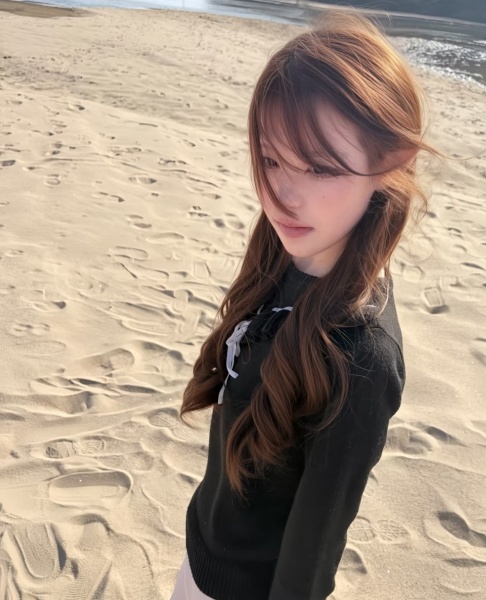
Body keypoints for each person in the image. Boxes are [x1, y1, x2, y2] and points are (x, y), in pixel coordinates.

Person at [171, 7, 442, 600]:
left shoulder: (360, 354)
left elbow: (313, 555)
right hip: (202, 555)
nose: (282, 194)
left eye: (320, 167)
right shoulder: (283, 248)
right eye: (271, 159)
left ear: (390, 163)